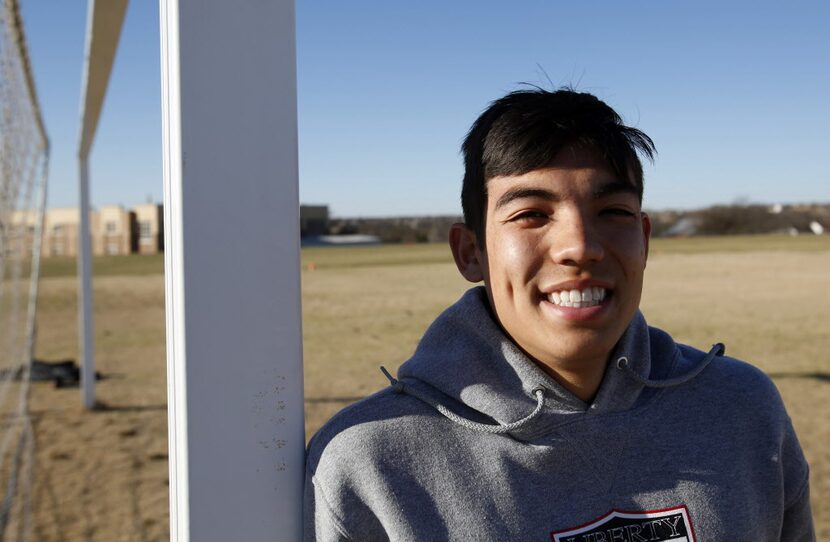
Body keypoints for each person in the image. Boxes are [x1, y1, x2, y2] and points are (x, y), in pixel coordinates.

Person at [304, 88, 814, 541]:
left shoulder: (742, 409)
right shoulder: (369, 462)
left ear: (645, 239)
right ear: (470, 252)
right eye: (531, 214)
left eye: (612, 212)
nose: (580, 247)